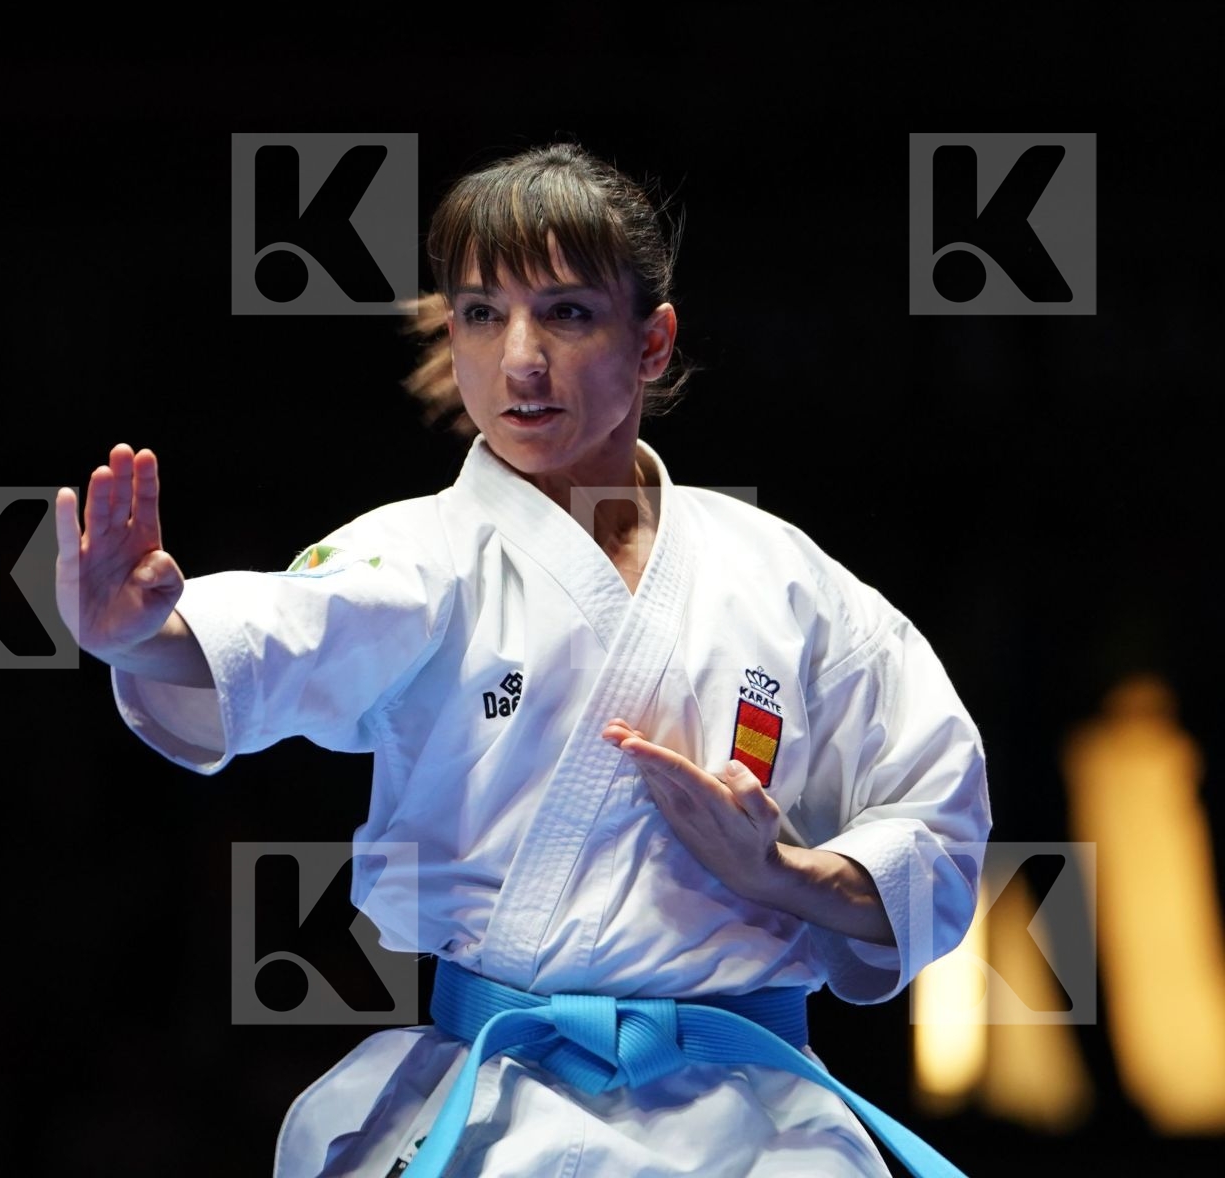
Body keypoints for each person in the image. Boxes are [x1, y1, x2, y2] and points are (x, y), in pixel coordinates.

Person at [54, 142, 991, 1177]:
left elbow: (940, 825)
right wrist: (141, 634)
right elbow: (284, 634)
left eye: (569, 312)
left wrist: (783, 872)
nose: (521, 359)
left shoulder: (786, 583)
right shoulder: (422, 556)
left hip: (760, 1127)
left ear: (653, 342)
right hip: (503, 1111)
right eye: (481, 314)